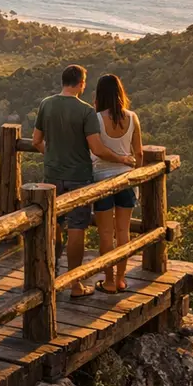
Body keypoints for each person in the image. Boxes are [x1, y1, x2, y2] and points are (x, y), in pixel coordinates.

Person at [31, 64, 136, 299]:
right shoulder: (86, 111)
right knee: (77, 228)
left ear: (63, 81)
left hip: (52, 176)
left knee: (53, 226)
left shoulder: (46, 104)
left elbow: (36, 140)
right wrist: (122, 158)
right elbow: (97, 149)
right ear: (81, 84)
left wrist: (52, 154)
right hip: (79, 177)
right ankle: (75, 284)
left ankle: (50, 275)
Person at [91, 73, 142, 294]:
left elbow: (95, 150)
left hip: (102, 179)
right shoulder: (132, 117)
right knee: (123, 232)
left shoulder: (97, 119)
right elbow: (138, 153)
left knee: (105, 233)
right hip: (126, 180)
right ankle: (121, 280)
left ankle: (109, 281)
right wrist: (135, 172)